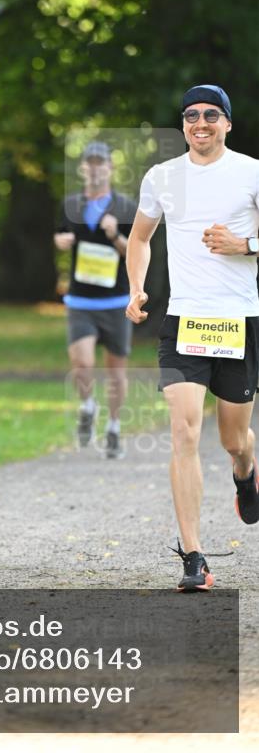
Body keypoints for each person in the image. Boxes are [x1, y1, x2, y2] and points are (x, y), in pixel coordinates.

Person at [126, 84, 259, 592]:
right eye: (189, 116)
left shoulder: (250, 172)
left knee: (232, 439)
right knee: (183, 433)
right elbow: (140, 237)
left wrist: (243, 244)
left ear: (227, 122)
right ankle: (192, 556)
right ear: (182, 125)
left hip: (237, 322)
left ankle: (246, 473)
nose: (199, 123)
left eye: (210, 115)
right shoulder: (163, 177)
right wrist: (136, 288)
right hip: (184, 321)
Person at [54, 141, 137, 459]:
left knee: (116, 373)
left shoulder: (126, 207)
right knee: (82, 362)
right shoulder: (71, 203)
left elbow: (135, 251)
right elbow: (59, 236)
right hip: (80, 301)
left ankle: (114, 427)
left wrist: (116, 234)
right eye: (89, 163)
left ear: (110, 168)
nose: (95, 168)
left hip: (115, 301)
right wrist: (60, 240)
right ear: (82, 168)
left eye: (101, 163)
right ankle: (88, 404)